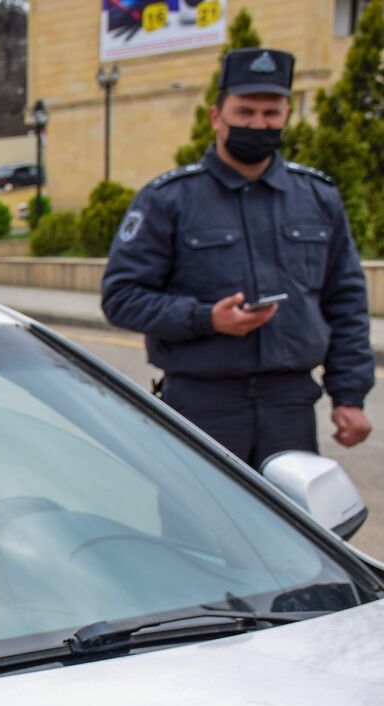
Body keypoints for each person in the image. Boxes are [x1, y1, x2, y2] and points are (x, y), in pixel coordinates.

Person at [102, 48, 373, 469]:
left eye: (271, 113)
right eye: (245, 112)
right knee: (196, 528)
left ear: (287, 115)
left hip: (290, 404)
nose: (258, 124)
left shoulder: (317, 197)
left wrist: (350, 395)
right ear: (216, 116)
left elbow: (346, 300)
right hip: (202, 404)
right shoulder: (169, 199)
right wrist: (206, 318)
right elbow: (121, 297)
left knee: (288, 529)